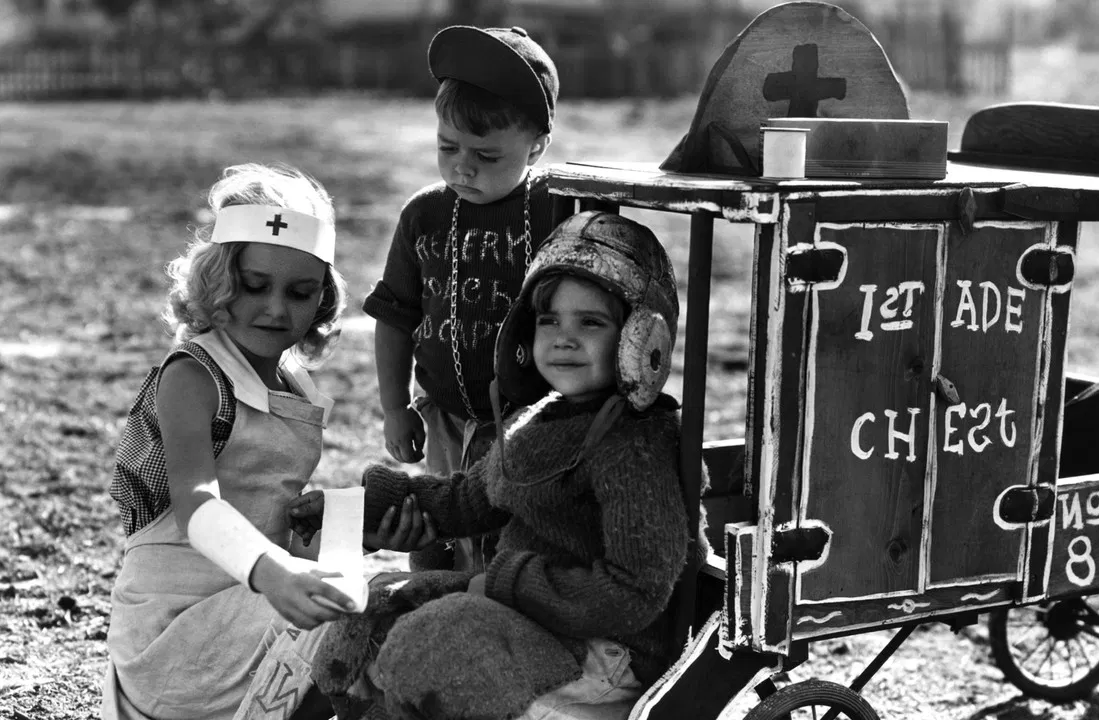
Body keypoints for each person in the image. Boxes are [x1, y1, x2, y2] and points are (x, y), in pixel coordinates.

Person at [291, 211, 708, 720]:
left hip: (610, 651)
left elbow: (632, 592)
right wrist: (360, 506)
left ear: (642, 339)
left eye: (591, 322)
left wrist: (506, 581)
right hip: (533, 615)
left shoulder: (635, 447)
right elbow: (467, 501)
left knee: (435, 645)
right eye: (549, 320)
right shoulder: (542, 419)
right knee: (374, 607)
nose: (564, 338)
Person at [102, 163, 354, 720]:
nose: (276, 309)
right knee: (348, 622)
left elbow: (266, 511)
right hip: (175, 637)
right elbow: (197, 505)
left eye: (300, 292)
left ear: (323, 298)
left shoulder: (292, 383)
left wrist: (353, 526)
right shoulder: (193, 376)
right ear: (217, 280)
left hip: (251, 606)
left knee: (383, 603)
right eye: (254, 286)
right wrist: (271, 569)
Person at [363, 24, 561, 574]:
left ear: (537, 145)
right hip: (446, 417)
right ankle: (432, 604)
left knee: (515, 539)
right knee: (439, 525)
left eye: (487, 154)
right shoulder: (423, 214)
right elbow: (394, 316)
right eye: (447, 147)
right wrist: (395, 408)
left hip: (533, 423)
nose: (462, 166)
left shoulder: (559, 208)